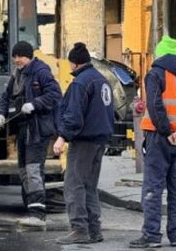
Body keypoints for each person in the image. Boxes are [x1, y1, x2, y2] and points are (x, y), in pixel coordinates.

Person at [129, 36, 176, 248]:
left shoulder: (155, 74)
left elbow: (154, 105)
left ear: (160, 53)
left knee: (153, 187)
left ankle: (151, 235)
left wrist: (167, 131)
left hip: (158, 138)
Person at [0, 41, 61, 228]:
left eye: (19, 56)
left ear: (28, 56)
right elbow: (6, 96)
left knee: (33, 170)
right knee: (23, 170)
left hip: (37, 129)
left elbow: (55, 94)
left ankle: (37, 215)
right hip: (23, 129)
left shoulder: (41, 72)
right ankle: (33, 207)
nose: (16, 60)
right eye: (14, 57)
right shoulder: (16, 74)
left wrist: (35, 104)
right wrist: (1, 114)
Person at [53, 42, 114, 245]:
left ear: (73, 64)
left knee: (74, 184)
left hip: (84, 140)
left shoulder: (80, 83)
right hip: (100, 139)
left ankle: (79, 229)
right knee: (89, 185)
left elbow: (74, 116)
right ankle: (94, 229)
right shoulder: (101, 79)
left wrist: (62, 137)